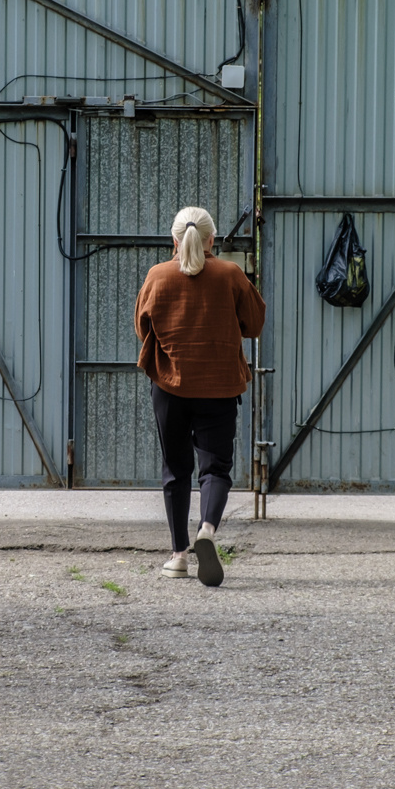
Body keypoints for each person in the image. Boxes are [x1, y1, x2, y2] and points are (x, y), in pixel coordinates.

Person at [134, 205, 266, 586]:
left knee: (176, 470)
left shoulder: (157, 276)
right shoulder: (230, 274)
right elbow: (255, 323)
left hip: (170, 388)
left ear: (173, 240)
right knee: (215, 469)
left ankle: (177, 557)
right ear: (212, 240)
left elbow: (143, 328)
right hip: (219, 386)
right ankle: (207, 530)